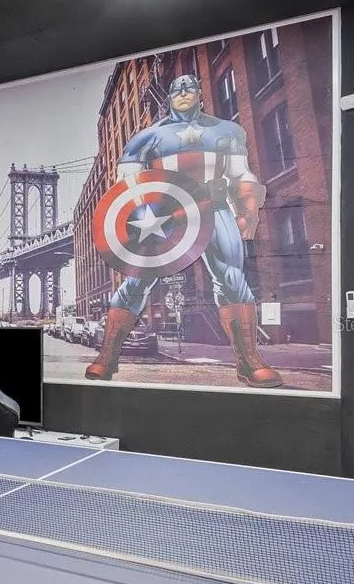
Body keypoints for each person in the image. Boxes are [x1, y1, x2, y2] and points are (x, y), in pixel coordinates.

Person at [86, 73, 281, 387]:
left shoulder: (228, 131)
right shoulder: (146, 138)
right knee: (136, 281)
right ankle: (107, 356)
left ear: (200, 93)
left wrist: (246, 210)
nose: (184, 91)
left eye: (190, 87)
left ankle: (250, 360)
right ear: (170, 96)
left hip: (214, 206)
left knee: (232, 279)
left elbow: (240, 173)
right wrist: (136, 222)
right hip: (166, 212)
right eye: (177, 88)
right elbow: (129, 185)